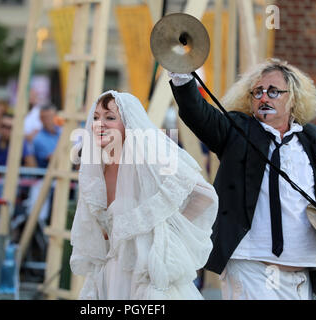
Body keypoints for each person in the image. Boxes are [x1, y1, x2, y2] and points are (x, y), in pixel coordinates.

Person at [169, 58, 316, 300]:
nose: (264, 98)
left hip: (303, 268)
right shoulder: (237, 129)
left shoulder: (312, 137)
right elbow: (198, 114)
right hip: (250, 263)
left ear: (293, 97)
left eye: (273, 92)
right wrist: (181, 75)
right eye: (257, 92)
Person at [69, 91, 218, 300]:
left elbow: (205, 195)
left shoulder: (149, 161)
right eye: (95, 117)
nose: (99, 124)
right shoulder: (97, 169)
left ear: (128, 124)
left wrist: (166, 234)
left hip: (146, 276)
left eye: (109, 117)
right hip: (111, 276)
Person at [32, 104, 61, 168]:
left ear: (56, 116)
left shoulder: (62, 132)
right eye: (44, 117)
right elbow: (52, 159)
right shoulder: (38, 139)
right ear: (40, 118)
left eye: (50, 117)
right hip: (48, 174)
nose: (48, 120)